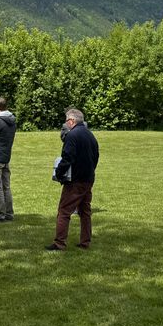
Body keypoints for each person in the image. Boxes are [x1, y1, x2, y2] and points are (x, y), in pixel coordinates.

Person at [46, 108, 99, 251]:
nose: (66, 124)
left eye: (66, 121)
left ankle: (59, 243)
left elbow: (67, 158)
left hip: (75, 180)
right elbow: (96, 156)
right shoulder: (90, 135)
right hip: (88, 178)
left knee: (64, 211)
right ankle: (85, 242)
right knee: (85, 211)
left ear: (71, 121)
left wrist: (58, 172)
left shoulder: (72, 135)